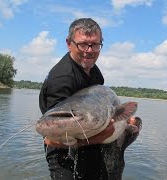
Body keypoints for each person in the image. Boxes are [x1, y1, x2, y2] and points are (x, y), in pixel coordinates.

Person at [39, 18, 141, 180]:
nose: (89, 50)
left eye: (95, 44)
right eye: (82, 44)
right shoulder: (61, 80)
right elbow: (51, 140)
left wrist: (120, 124)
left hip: (90, 140)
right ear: (68, 43)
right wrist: (102, 135)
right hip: (62, 151)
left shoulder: (93, 71)